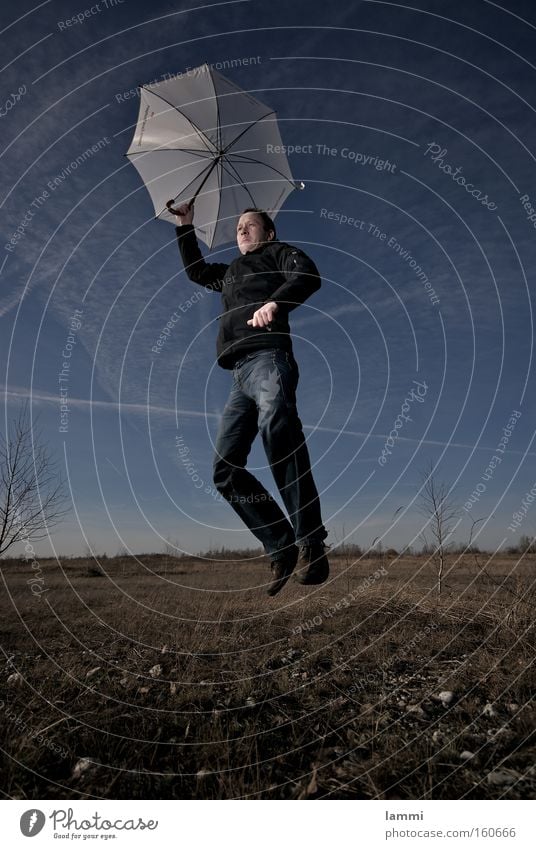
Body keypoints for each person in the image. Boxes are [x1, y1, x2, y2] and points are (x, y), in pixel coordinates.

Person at [172, 202, 329, 596]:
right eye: (239, 227)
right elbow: (196, 271)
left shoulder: (278, 254)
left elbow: (308, 274)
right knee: (224, 470)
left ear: (269, 233)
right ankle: (281, 544)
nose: (242, 230)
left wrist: (276, 302)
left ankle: (311, 541)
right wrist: (185, 225)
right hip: (238, 375)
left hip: (268, 357)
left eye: (250, 225)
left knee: (276, 421)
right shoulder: (228, 274)